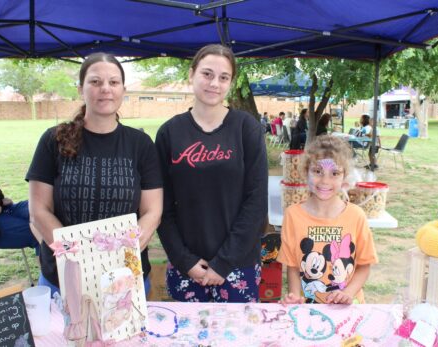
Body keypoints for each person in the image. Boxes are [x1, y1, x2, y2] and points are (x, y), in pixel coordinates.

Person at [26, 52, 163, 296]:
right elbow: (39, 211)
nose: (105, 89)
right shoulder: (53, 140)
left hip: (124, 280)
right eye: (95, 82)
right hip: (64, 279)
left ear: (123, 89)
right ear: (81, 89)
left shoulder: (141, 144)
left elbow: (152, 212)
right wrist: (75, 257)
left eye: (113, 82)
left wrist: (122, 253)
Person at [155, 44, 268, 303]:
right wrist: (185, 260)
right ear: (191, 74)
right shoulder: (169, 133)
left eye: (223, 77)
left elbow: (257, 200)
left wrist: (224, 261)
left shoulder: (245, 128)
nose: (214, 83)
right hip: (188, 267)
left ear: (231, 82)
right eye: (207, 74)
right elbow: (161, 205)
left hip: (239, 263)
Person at [277, 135, 378, 304]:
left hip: (348, 307)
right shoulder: (292, 215)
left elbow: (364, 265)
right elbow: (293, 265)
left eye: (335, 173)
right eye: (317, 171)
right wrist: (294, 296)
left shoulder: (356, 216)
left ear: (344, 177)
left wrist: (348, 293)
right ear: (305, 172)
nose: (325, 181)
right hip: (308, 308)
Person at [0, 181, 39, 253]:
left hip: (5, 209)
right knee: (40, 231)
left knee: (43, 208)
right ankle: (49, 263)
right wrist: (0, 202)